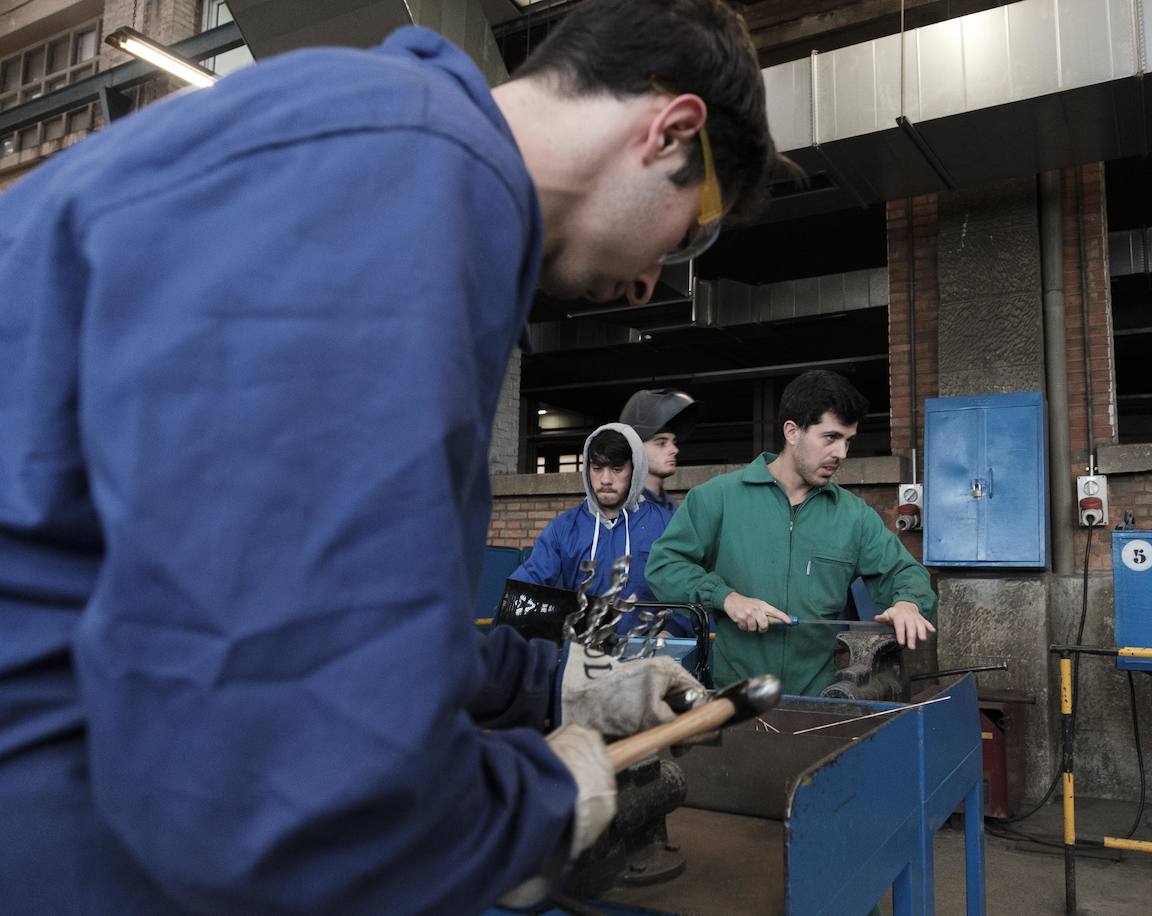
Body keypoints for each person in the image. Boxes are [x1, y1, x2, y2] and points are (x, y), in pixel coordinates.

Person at [0, 0, 778, 911]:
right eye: (691, 233)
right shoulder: (396, 187)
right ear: (671, 130)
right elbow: (289, 766)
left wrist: (560, 686)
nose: (656, 276)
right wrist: (537, 803)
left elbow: (310, 602)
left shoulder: (396, 154)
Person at [646, 370, 938, 696]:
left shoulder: (853, 517)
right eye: (830, 437)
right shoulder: (718, 499)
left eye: (847, 440)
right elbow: (664, 565)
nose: (842, 453)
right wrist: (726, 598)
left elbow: (904, 572)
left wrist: (909, 604)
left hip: (816, 704)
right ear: (792, 431)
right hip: (736, 700)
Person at [511, 423, 690, 636]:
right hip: (582, 653)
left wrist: (670, 634)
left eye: (617, 469)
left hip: (645, 654)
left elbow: (687, 590)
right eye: (597, 468)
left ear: (635, 469)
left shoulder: (665, 525)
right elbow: (527, 583)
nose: (605, 480)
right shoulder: (564, 528)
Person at [619, 387, 701, 511]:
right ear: (634, 448)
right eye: (661, 443)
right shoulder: (623, 508)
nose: (674, 450)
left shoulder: (671, 506)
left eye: (674, 442)